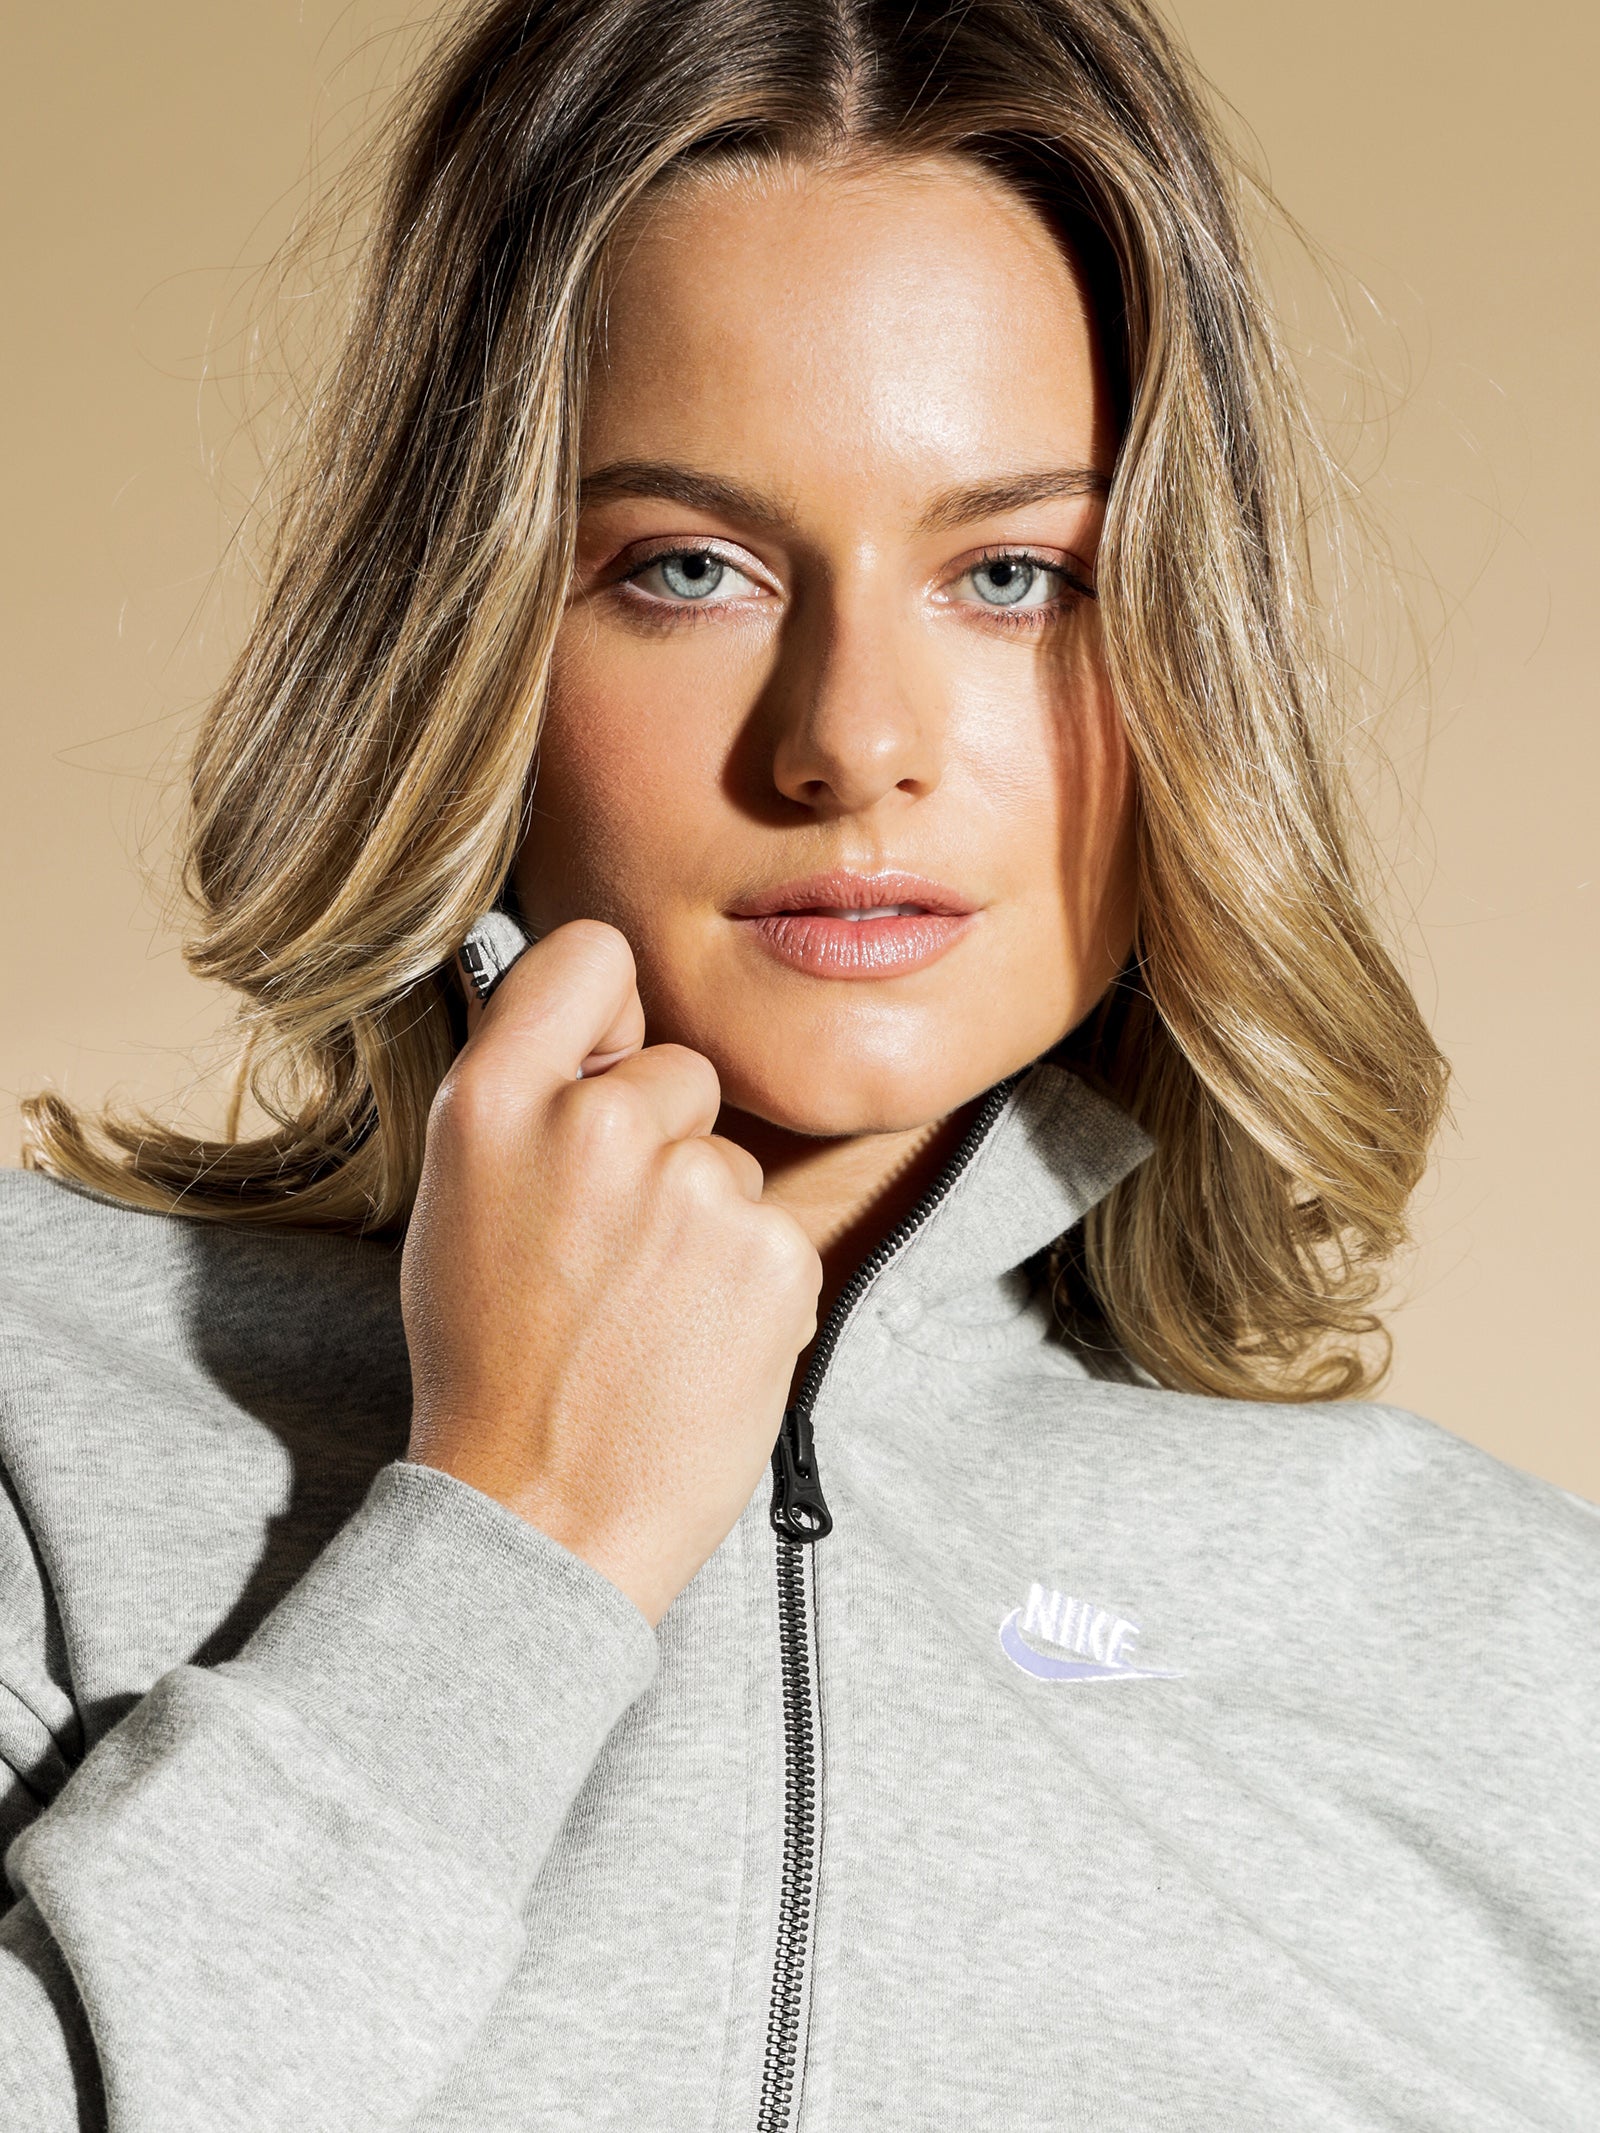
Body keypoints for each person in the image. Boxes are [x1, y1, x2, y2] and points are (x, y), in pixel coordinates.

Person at [2, 0, 1595, 2125]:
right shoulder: (30, 1418)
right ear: (468, 629)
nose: (851, 739)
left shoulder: (1517, 1650)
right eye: (687, 568)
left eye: (1012, 575)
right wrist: (515, 1531)